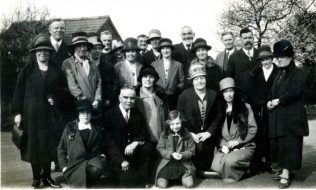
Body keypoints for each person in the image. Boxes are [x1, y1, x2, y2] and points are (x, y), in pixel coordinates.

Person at [13, 34, 65, 188]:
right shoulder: (27, 70)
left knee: (49, 146)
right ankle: (36, 178)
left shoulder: (56, 70)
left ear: (50, 52)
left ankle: (47, 177)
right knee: (34, 147)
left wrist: (55, 98)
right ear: (35, 52)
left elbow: (63, 90)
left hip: (51, 115)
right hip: (32, 116)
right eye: (39, 50)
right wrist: (17, 113)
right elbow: (18, 93)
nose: (43, 53)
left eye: (46, 50)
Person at [267, 40, 309, 189]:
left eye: (282, 57)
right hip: (280, 116)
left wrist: (278, 101)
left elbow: (295, 92)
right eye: (277, 57)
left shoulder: (299, 73)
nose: (278, 59)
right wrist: (270, 101)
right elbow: (272, 91)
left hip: (293, 117)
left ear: (290, 57)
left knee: (290, 144)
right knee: (280, 145)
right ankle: (285, 170)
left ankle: (286, 173)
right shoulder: (279, 72)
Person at [177, 63, 223, 177]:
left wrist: (209, 132)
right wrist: (190, 133)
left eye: (202, 78)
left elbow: (219, 115)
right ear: (192, 81)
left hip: (208, 135)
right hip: (191, 135)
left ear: (206, 79)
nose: (200, 81)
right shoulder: (184, 95)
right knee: (194, 160)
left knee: (208, 158)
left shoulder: (214, 94)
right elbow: (180, 117)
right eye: (196, 79)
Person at [104, 86, 154, 187]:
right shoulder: (109, 115)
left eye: (132, 98)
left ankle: (142, 178)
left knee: (149, 147)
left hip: (134, 155)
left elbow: (144, 134)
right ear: (119, 98)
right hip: (118, 158)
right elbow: (109, 144)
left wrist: (134, 143)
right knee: (129, 182)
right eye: (126, 97)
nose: (129, 101)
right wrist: (121, 161)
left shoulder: (137, 113)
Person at [211, 77, 257, 183]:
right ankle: (235, 168)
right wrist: (223, 145)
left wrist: (237, 141)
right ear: (222, 94)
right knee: (215, 165)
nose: (229, 94)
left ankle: (242, 169)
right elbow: (218, 133)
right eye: (225, 92)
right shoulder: (220, 109)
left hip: (244, 145)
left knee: (230, 161)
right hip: (227, 145)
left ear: (235, 92)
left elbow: (253, 129)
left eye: (231, 90)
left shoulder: (245, 107)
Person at [57, 100, 107, 188]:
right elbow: (61, 149)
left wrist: (103, 156)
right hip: (74, 163)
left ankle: (90, 180)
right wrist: (64, 166)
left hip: (92, 161)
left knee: (96, 169)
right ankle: (71, 177)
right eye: (82, 112)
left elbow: (103, 144)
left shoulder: (96, 128)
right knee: (77, 183)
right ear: (78, 114)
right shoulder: (70, 127)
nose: (85, 115)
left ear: (91, 114)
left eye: (88, 112)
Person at [246, 45, 279, 175]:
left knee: (272, 135)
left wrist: (272, 102)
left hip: (275, 108)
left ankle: (271, 162)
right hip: (259, 109)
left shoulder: (278, 72)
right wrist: (260, 103)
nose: (266, 62)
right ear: (260, 61)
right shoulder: (255, 73)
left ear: (272, 58)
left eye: (268, 59)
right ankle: (259, 162)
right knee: (260, 134)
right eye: (263, 60)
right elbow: (252, 91)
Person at [134, 65, 167, 184]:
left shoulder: (161, 97)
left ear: (155, 79)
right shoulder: (135, 98)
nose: (148, 79)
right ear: (141, 79)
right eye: (145, 77)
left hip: (159, 136)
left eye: (151, 77)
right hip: (143, 138)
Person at [62, 31, 102, 114]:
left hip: (95, 105)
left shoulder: (91, 63)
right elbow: (73, 87)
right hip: (78, 105)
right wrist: (85, 102)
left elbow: (98, 81)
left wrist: (97, 99)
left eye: (85, 46)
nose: (83, 48)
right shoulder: (68, 63)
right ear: (74, 48)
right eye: (79, 46)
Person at [156, 110, 196, 188]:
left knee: (189, 185)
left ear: (182, 122)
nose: (175, 126)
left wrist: (182, 155)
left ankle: (181, 177)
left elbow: (191, 150)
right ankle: (170, 179)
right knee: (162, 185)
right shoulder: (164, 134)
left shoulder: (187, 134)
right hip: (168, 163)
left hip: (182, 163)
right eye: (172, 124)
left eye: (178, 123)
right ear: (168, 123)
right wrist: (171, 154)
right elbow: (160, 148)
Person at [88, 34, 119, 111]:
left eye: (100, 48)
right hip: (90, 103)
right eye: (94, 48)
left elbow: (115, 84)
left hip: (106, 103)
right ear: (89, 50)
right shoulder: (85, 65)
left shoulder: (108, 66)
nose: (98, 50)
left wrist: (109, 99)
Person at [151, 38, 184, 110]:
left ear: (171, 50)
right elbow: (151, 80)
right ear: (160, 51)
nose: (165, 50)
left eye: (168, 48)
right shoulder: (154, 64)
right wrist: (158, 91)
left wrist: (175, 91)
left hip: (173, 99)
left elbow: (182, 82)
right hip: (158, 98)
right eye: (163, 48)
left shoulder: (178, 65)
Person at [226, 27, 259, 99]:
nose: (248, 40)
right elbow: (229, 79)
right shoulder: (233, 57)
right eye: (245, 38)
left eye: (250, 37)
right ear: (240, 40)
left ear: (253, 39)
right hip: (241, 99)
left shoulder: (260, 54)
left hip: (259, 99)